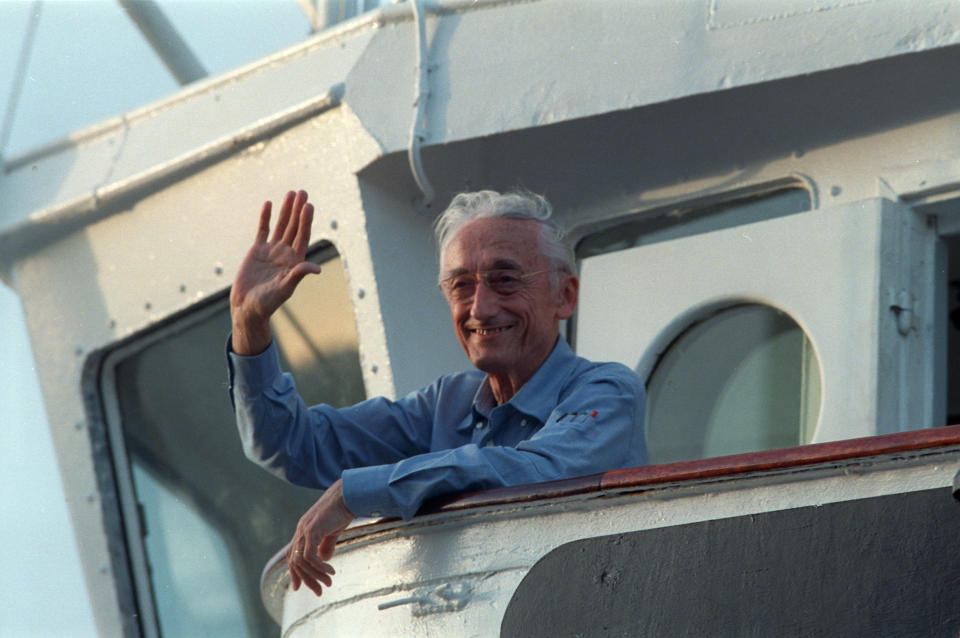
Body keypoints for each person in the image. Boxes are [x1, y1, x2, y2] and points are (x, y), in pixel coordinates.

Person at [227, 189, 647, 597]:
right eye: (462, 285)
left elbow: (538, 472)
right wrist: (250, 326)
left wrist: (354, 491)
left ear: (565, 296)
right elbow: (292, 445)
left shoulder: (607, 391)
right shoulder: (446, 404)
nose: (480, 308)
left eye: (505, 280)